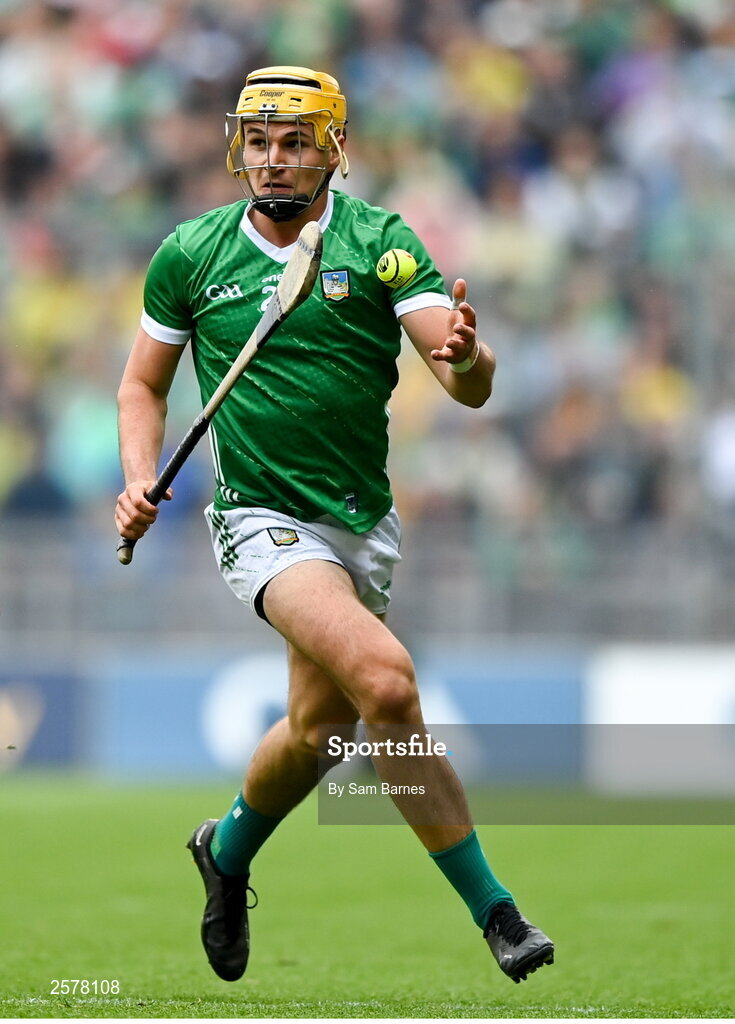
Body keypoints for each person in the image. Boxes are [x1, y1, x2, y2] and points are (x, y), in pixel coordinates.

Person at [114, 65, 554, 986]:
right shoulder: (190, 254)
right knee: (387, 685)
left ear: (333, 149)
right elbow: (142, 385)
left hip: (362, 522)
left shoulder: (381, 242)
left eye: (295, 142)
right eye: (260, 142)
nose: (274, 161)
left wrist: (468, 357)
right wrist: (136, 476)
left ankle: (224, 854)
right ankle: (498, 913)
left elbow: (462, 378)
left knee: (319, 733)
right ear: (239, 148)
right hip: (260, 520)